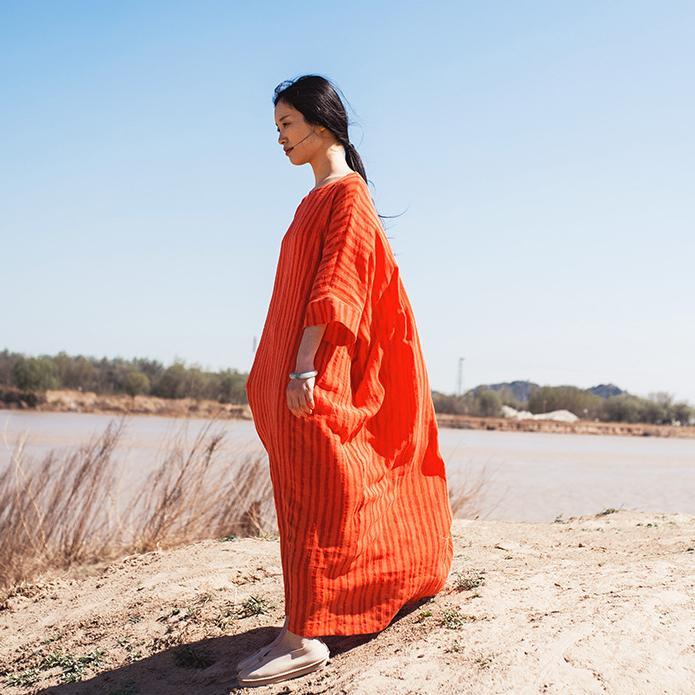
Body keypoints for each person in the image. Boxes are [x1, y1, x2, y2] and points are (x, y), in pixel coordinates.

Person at [239, 74, 454, 687]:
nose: (279, 138)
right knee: (306, 490)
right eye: (276, 127)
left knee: (322, 489)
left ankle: (306, 635)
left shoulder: (347, 196)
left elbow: (338, 286)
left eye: (286, 124)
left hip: (321, 371)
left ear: (321, 122)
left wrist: (306, 364)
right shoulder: (314, 199)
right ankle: (309, 616)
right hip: (299, 369)